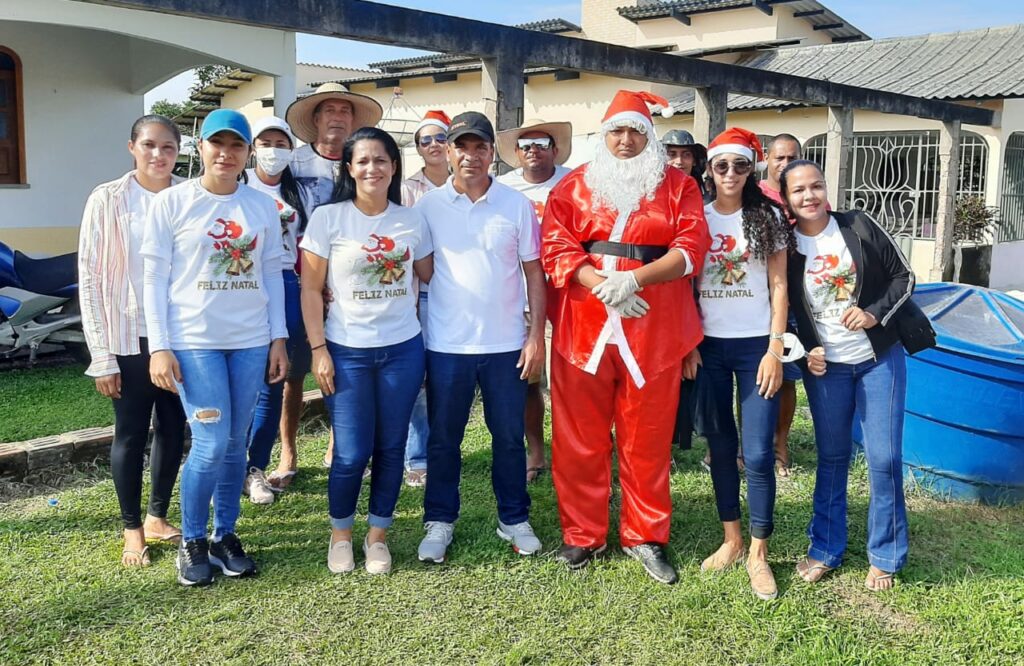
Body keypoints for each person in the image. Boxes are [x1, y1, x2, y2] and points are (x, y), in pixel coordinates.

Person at [542, 91, 709, 584]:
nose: (625, 139)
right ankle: (582, 534)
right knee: (578, 439)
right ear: (604, 133)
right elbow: (556, 246)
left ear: (649, 135)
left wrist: (636, 280)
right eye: (617, 130)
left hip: (653, 330)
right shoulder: (574, 187)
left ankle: (645, 536)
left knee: (647, 441)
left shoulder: (678, 186)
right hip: (584, 329)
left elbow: (691, 247)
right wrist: (602, 286)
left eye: (636, 130)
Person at [142, 109, 289, 587]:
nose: (226, 153)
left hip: (249, 342)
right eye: (216, 144)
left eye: (236, 145)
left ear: (247, 153)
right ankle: (193, 539)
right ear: (199, 148)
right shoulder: (172, 203)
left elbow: (270, 274)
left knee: (234, 445)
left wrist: (278, 338)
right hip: (194, 342)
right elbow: (154, 278)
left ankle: (225, 536)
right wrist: (160, 347)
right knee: (208, 443)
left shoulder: (262, 206)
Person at [781, 159, 926, 592]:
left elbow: (905, 277)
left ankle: (886, 553)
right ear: (787, 199)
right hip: (828, 370)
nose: (809, 196)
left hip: (880, 360)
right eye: (798, 191)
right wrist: (807, 353)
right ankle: (825, 547)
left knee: (883, 459)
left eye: (816, 186)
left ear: (827, 188)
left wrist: (872, 314)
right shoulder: (786, 247)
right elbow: (783, 308)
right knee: (832, 458)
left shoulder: (858, 226)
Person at [301, 127, 433, 575]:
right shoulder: (328, 218)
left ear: (394, 167)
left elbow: (430, 274)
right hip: (347, 350)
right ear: (349, 167)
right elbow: (311, 288)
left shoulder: (412, 220)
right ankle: (341, 536)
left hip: (402, 349)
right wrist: (318, 348)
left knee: (392, 447)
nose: (372, 168)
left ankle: (378, 537)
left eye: (382, 160)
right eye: (363, 160)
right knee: (352, 452)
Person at [414, 111, 546, 563]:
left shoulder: (516, 205)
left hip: (506, 343)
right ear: (447, 152)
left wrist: (535, 337)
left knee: (508, 437)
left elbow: (534, 272)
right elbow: (420, 270)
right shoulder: (427, 207)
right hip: (447, 345)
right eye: (461, 147)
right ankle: (439, 520)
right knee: (443, 439)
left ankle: (513, 517)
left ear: (493, 153)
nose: (471, 156)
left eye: (480, 147)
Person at [687, 128, 793, 600]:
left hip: (756, 348)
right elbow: (684, 287)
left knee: (756, 453)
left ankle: (758, 552)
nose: (731, 174)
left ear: (753, 169)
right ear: (709, 169)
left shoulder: (767, 216)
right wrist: (688, 344)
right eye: (722, 165)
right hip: (708, 347)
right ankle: (731, 538)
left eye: (741, 165)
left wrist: (775, 348)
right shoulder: (696, 217)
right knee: (719, 445)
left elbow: (779, 287)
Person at [78, 114, 187, 567]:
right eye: (149, 146)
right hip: (127, 338)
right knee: (129, 434)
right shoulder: (108, 198)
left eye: (167, 147)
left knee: (173, 428)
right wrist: (102, 358)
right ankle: (132, 529)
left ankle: (158, 515)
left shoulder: (189, 196)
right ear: (132, 148)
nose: (158, 155)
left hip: (180, 337)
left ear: (179, 152)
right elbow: (89, 277)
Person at [266, 83, 383, 488]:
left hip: (349, 287)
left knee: (344, 370)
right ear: (314, 119)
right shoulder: (292, 165)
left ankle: (340, 448)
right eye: (328, 110)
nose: (337, 117)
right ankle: (288, 453)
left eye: (345, 111)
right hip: (300, 282)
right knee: (292, 375)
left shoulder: (359, 164)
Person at [496, 117, 573, 483]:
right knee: (527, 381)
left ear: (555, 149)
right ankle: (536, 452)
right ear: (516, 154)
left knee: (571, 384)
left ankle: (574, 452)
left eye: (541, 143)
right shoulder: (503, 190)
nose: (533, 151)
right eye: (525, 145)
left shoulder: (575, 183)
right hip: (519, 298)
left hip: (569, 297)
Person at [242, 116, 309, 505]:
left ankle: (255, 468)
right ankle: (227, 466)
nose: (272, 150)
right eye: (264, 142)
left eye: (280, 142)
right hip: (241, 287)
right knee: (241, 383)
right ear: (253, 148)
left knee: (275, 378)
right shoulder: (239, 187)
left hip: (287, 283)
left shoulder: (298, 192)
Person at [758, 133, 822, 477]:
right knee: (750, 376)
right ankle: (748, 445)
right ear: (767, 159)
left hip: (796, 297)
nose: (784, 164)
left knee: (786, 376)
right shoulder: (752, 195)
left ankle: (780, 445)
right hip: (755, 298)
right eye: (779, 158)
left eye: (791, 157)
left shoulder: (803, 195)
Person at [399, 109, 452, 488]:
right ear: (417, 148)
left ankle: (444, 447)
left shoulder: (472, 182)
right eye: (425, 140)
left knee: (447, 375)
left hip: (464, 293)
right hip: (421, 292)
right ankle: (416, 454)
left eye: (440, 138)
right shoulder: (405, 190)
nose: (433, 145)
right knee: (417, 377)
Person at [660, 128, 708, 200]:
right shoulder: (650, 197)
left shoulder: (707, 203)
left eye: (686, 155)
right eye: (672, 155)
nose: (679, 161)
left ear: (694, 160)